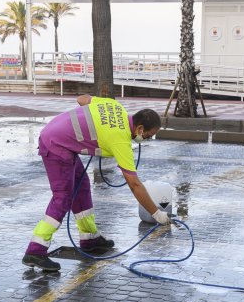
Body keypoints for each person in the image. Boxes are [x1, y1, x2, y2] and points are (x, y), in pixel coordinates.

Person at [22, 95, 167, 272]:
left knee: (81, 188)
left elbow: (81, 99)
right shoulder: (120, 140)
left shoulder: (115, 106)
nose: (147, 139)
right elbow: (134, 184)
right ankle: (35, 250)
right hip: (55, 144)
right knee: (63, 198)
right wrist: (156, 213)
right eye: (148, 136)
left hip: (58, 136)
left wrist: (94, 129)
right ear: (139, 128)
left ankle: (90, 238)